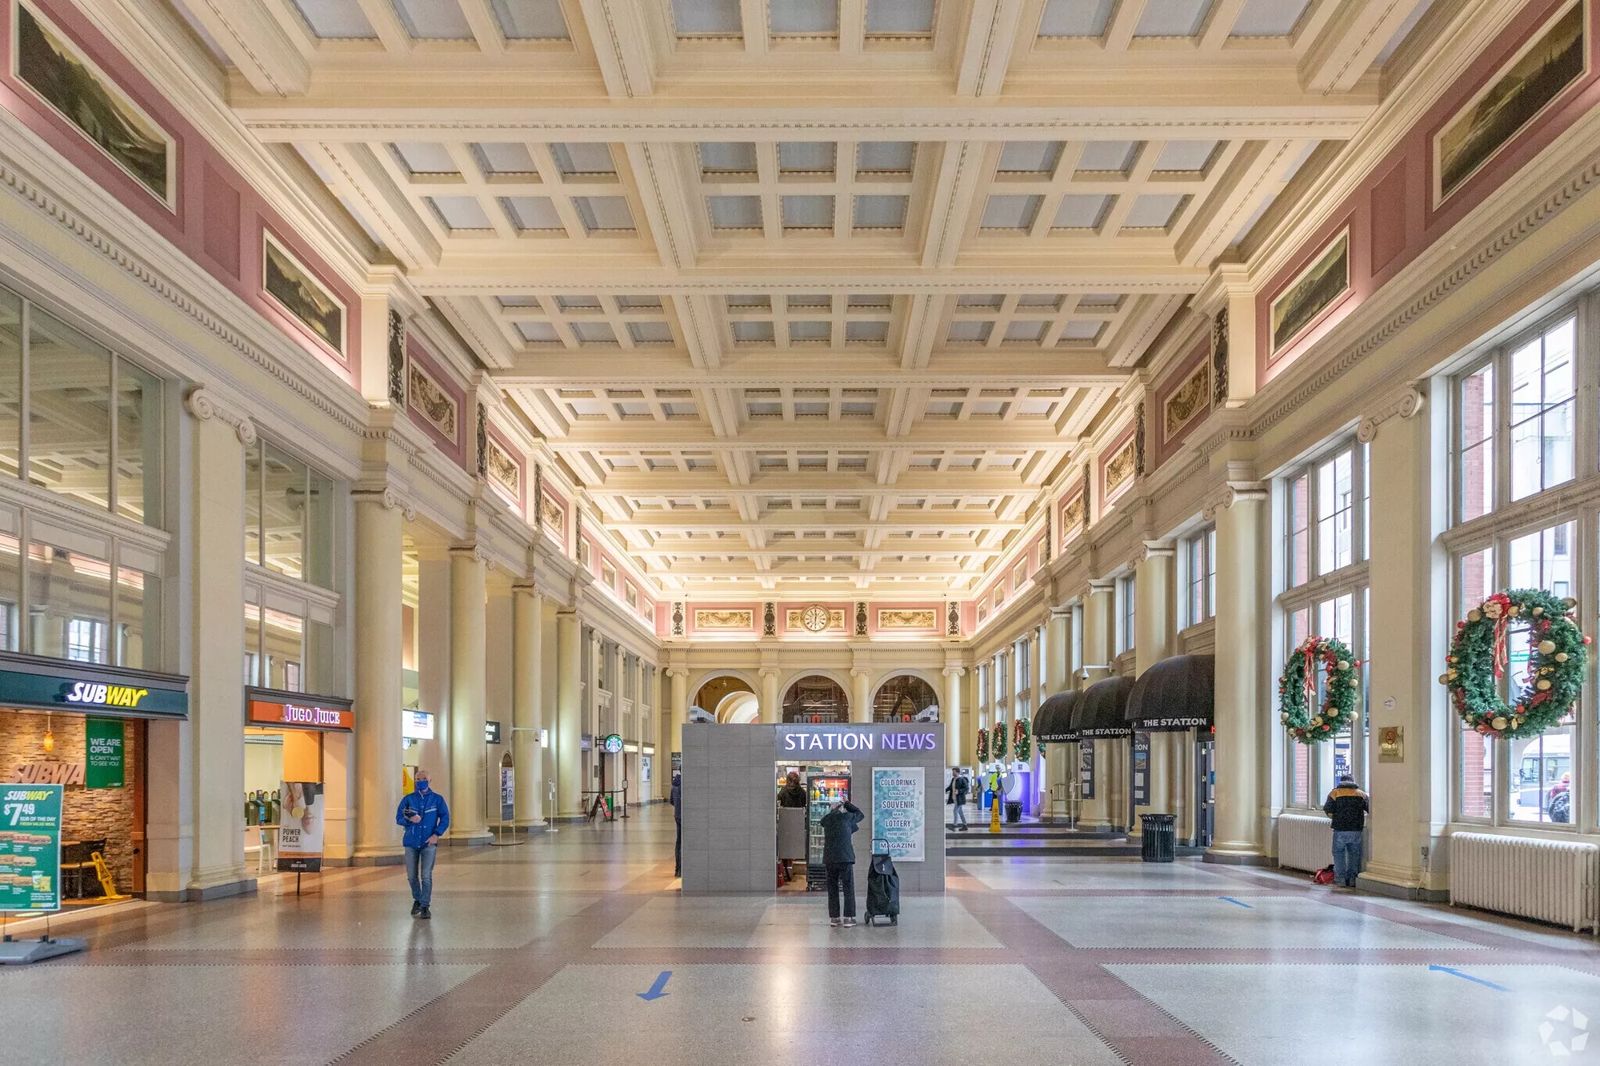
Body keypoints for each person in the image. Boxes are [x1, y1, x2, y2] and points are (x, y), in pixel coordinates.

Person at [396, 769, 449, 919]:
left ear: (429, 780)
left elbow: (445, 818)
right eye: (418, 779)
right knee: (412, 876)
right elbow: (398, 817)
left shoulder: (437, 799)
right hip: (411, 842)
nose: (421, 781)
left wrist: (436, 834)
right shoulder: (408, 799)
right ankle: (417, 899)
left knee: (426, 876)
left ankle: (425, 906)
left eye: (424, 778)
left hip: (428, 843)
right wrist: (409, 820)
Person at [819, 798, 864, 927]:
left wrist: (834, 809)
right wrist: (847, 804)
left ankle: (834, 918)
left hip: (830, 859)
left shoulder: (827, 820)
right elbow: (860, 814)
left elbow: (823, 821)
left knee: (832, 888)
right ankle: (848, 918)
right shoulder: (848, 817)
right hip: (845, 858)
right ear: (842, 809)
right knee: (848, 887)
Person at [1322, 775, 1369, 889]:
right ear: (1353, 782)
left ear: (1341, 782)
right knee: (1354, 854)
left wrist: (1336, 818)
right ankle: (1352, 879)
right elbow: (1369, 809)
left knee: (1339, 854)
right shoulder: (1361, 794)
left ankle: (1340, 880)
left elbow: (1327, 809)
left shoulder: (1335, 793)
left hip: (1340, 829)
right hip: (1356, 830)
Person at [670, 771, 682, 877]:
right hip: (685, 816)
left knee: (678, 842)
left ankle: (677, 869)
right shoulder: (685, 784)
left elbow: (671, 801)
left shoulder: (674, 785)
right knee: (683, 842)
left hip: (677, 815)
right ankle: (682, 869)